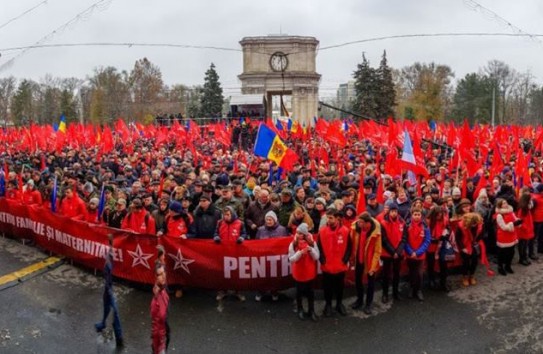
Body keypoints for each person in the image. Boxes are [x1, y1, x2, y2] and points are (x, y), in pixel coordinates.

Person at [317, 208, 352, 317]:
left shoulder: (345, 231)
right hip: (327, 265)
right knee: (327, 287)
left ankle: (339, 304)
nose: (329, 220)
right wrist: (322, 259)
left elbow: (349, 247)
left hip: (340, 265)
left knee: (339, 286)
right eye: (327, 217)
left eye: (331, 218)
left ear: (337, 218)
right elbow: (319, 246)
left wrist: (345, 259)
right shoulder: (322, 231)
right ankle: (328, 305)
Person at [94, 234, 123, 348]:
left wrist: (109, 286)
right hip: (107, 286)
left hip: (109, 286)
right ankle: (103, 323)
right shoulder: (108, 252)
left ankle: (119, 336)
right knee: (107, 306)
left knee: (114, 309)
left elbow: (110, 271)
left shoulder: (111, 255)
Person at [350, 212, 381, 315]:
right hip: (359, 260)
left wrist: (372, 267)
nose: (359, 223)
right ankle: (359, 300)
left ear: (367, 223)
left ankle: (368, 304)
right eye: (359, 221)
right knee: (358, 281)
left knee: (370, 284)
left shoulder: (375, 232)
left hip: (370, 261)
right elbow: (352, 243)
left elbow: (377, 251)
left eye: (361, 222)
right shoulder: (355, 228)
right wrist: (352, 258)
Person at [214, 206, 246, 302]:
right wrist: (216, 237)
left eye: (228, 215)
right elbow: (215, 233)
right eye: (224, 215)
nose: (226, 217)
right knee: (223, 272)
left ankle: (238, 291)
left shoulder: (240, 223)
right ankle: (223, 291)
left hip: (236, 252)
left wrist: (242, 238)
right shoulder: (220, 223)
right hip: (223, 251)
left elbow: (244, 234)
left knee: (237, 273)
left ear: (232, 214)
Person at [288, 223, 319, 322]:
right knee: (299, 293)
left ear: (305, 234)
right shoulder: (293, 243)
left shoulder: (312, 242)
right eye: (297, 233)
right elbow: (291, 259)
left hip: (309, 272)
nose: (298, 235)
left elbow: (317, 257)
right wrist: (300, 253)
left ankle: (311, 310)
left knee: (310, 293)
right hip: (299, 273)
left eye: (300, 233)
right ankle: (300, 309)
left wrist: (311, 250)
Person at [379, 202, 406, 303]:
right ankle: (385, 294)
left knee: (396, 274)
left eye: (395, 211)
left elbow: (404, 238)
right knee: (386, 275)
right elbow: (384, 240)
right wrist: (392, 252)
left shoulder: (402, 222)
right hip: (387, 253)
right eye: (392, 211)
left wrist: (398, 251)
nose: (394, 213)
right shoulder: (383, 223)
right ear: (389, 212)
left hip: (398, 253)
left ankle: (395, 292)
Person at [404, 208, 431, 301]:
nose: (417, 216)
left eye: (418, 214)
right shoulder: (407, 225)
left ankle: (419, 290)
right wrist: (411, 252)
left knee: (420, 273)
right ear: (412, 215)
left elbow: (427, 241)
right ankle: (412, 288)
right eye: (415, 214)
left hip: (420, 255)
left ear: (421, 215)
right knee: (411, 272)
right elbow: (405, 240)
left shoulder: (425, 226)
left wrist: (418, 252)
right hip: (409, 254)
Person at [426, 205, 451, 291]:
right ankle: (431, 280)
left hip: (442, 245)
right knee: (431, 264)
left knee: (444, 264)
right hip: (431, 246)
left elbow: (448, 229)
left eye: (441, 214)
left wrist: (446, 235)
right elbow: (426, 236)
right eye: (437, 214)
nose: (439, 216)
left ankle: (443, 282)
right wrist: (436, 238)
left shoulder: (445, 220)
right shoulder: (428, 222)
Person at [456, 213, 484, 286]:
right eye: (473, 224)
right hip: (465, 245)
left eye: (475, 224)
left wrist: (477, 242)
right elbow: (458, 238)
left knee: (474, 261)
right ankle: (465, 277)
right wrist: (462, 248)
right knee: (466, 262)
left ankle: (471, 275)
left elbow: (480, 235)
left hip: (474, 245)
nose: (474, 225)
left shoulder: (479, 225)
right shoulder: (460, 226)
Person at [495, 198, 521, 276]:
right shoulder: (499, 215)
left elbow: (515, 219)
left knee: (511, 252)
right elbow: (503, 227)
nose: (505, 204)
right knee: (502, 253)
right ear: (500, 206)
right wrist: (514, 224)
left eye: (506, 202)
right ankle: (500, 267)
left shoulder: (511, 212)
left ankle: (507, 265)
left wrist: (518, 221)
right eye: (503, 203)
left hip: (512, 235)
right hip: (503, 236)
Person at [151, 263, 169, 354]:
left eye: (163, 273)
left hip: (163, 338)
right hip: (159, 342)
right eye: (159, 274)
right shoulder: (155, 301)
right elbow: (156, 327)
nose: (163, 276)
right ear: (156, 277)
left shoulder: (164, 292)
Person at [517, 193, 534, 266]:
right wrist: (526, 228)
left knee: (525, 245)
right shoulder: (522, 209)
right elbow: (520, 221)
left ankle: (524, 257)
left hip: (527, 229)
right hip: (523, 230)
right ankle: (521, 258)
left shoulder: (526, 207)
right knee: (522, 245)